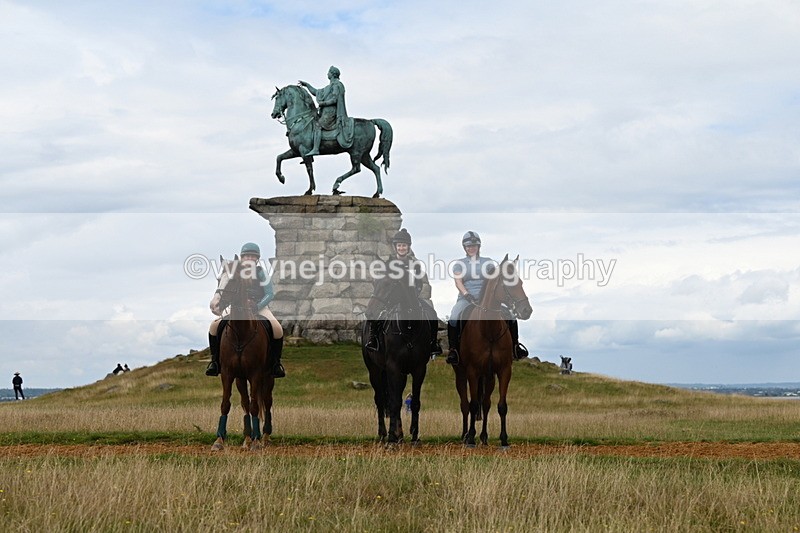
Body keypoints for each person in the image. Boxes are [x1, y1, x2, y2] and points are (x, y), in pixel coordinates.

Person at [445, 231, 527, 366]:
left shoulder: (488, 262)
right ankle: (453, 350)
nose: (471, 248)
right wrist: (466, 294)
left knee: (511, 315)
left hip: (487, 298)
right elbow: (458, 282)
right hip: (467, 299)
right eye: (468, 246)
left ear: (479, 247)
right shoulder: (459, 264)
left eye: (474, 246)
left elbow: (495, 278)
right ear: (464, 248)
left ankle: (516, 346)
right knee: (454, 317)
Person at [206, 243, 285, 378]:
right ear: (242, 257)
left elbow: (270, 294)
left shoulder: (261, 273)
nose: (249, 258)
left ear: (257, 259)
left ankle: (276, 364)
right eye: (247, 256)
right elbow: (228, 290)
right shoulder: (235, 273)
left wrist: (257, 306)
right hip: (236, 308)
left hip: (259, 307)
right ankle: (215, 362)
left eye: (253, 256)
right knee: (214, 326)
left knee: (278, 329)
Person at [365, 228, 443, 357]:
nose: (401, 248)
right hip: (392, 299)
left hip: (411, 298)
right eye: (399, 245)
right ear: (395, 247)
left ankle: (433, 344)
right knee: (377, 315)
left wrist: (415, 293)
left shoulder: (414, 264)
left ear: (408, 247)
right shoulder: (389, 263)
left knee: (431, 313)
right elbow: (384, 283)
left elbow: (419, 283)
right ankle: (373, 339)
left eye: (404, 245)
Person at [298, 65, 353, 157]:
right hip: (325, 112)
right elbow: (316, 92)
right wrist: (307, 85)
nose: (327, 74)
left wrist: (324, 103)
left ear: (332, 74)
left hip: (332, 112)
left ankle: (315, 149)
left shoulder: (337, 85)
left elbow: (335, 99)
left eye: (329, 72)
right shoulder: (329, 87)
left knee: (317, 125)